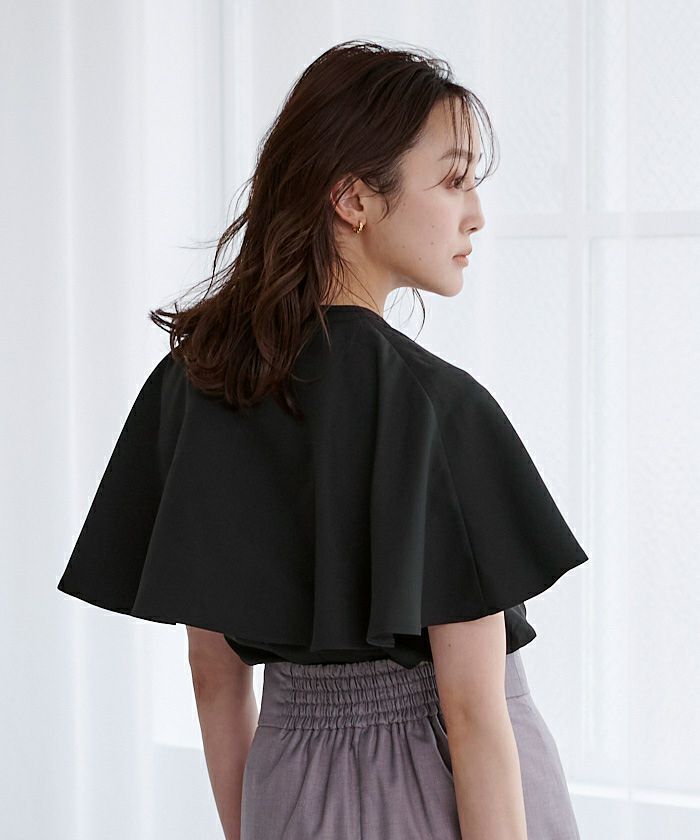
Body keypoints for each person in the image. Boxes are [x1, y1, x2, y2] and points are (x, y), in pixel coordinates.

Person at [57, 40, 588, 840]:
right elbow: (475, 715)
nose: (476, 212)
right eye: (453, 180)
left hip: (286, 782)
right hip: (447, 787)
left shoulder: (193, 387)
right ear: (353, 198)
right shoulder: (435, 407)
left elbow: (212, 676)